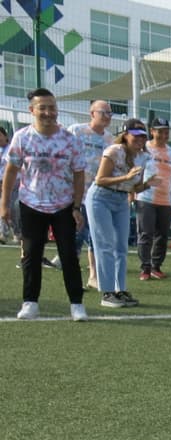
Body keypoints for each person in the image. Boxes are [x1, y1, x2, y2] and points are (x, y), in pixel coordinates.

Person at [1, 88, 87, 321]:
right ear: (32, 110)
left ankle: (77, 304)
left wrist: (76, 206)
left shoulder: (70, 139)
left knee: (68, 255)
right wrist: (4, 204)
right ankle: (30, 302)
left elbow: (79, 174)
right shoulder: (22, 137)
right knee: (31, 254)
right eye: (43, 108)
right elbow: (11, 171)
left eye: (52, 108)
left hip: (63, 205)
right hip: (31, 203)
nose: (49, 112)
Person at [85, 117, 155, 310]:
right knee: (105, 245)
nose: (140, 139)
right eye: (135, 135)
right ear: (125, 135)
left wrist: (147, 184)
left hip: (122, 199)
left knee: (121, 247)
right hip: (101, 198)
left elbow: (134, 187)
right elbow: (100, 179)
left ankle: (120, 289)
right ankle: (107, 292)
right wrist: (126, 176)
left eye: (143, 136)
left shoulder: (143, 157)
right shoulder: (114, 151)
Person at [66, 99, 113, 287]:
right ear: (92, 113)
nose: (107, 116)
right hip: (74, 193)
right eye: (103, 112)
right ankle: (73, 274)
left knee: (96, 235)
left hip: (97, 194)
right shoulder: (76, 131)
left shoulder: (110, 139)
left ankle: (93, 275)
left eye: (109, 113)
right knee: (75, 235)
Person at [134, 117, 171, 281]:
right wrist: (131, 193)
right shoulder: (144, 149)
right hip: (145, 198)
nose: (163, 135)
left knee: (162, 235)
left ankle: (156, 266)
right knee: (146, 234)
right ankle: (145, 268)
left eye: (166, 132)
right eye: (160, 132)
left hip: (166, 200)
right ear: (152, 131)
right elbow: (136, 172)